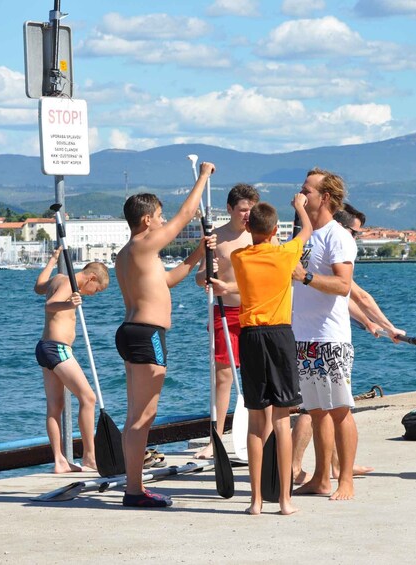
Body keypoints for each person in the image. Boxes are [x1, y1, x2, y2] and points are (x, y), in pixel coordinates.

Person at [114, 162, 216, 508]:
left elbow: (169, 280)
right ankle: (134, 490)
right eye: (159, 216)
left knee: (135, 417)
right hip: (147, 335)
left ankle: (133, 486)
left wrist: (200, 252)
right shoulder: (143, 245)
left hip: (132, 332)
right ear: (146, 220)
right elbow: (187, 214)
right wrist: (203, 175)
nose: (162, 221)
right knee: (144, 417)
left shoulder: (129, 254)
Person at [291, 203, 407, 484]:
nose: (355, 239)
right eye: (354, 232)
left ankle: (337, 467)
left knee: (321, 408)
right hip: (312, 337)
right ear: (342, 227)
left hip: (312, 336)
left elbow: (345, 299)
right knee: (317, 410)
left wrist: (371, 324)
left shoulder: (317, 247)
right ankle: (304, 468)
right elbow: (357, 295)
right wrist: (387, 326)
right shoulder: (324, 246)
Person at [230, 195, 312, 515]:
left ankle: (255, 501)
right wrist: (300, 204)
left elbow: (245, 237)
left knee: (255, 419)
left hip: (250, 337)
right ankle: (285, 501)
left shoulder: (239, 257)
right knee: (281, 418)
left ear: (248, 226)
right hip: (279, 335)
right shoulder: (285, 255)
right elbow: (305, 229)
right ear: (275, 229)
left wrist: (248, 224)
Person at [290, 167, 359, 501]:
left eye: (308, 191)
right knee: (315, 411)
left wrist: (304, 277)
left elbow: (343, 285)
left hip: (330, 338)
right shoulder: (305, 235)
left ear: (325, 198)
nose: (301, 196)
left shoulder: (337, 236)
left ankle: (345, 479)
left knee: (339, 410)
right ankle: (320, 477)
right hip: (303, 336)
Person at [194, 183, 259, 459]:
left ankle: (257, 435)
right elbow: (198, 277)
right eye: (243, 210)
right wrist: (209, 272)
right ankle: (216, 439)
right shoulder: (215, 238)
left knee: (256, 376)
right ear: (230, 209)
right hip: (224, 313)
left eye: (251, 210)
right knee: (223, 378)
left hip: (254, 312)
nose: (247, 215)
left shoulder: (259, 236)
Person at [34, 254, 109, 474]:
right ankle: (89, 457)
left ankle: (60, 461)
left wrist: (51, 260)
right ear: (91, 278)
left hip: (44, 347)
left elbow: (39, 287)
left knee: (55, 407)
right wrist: (68, 302)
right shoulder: (69, 283)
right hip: (57, 349)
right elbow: (49, 305)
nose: (94, 294)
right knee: (88, 398)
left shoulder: (58, 279)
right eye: (97, 290)